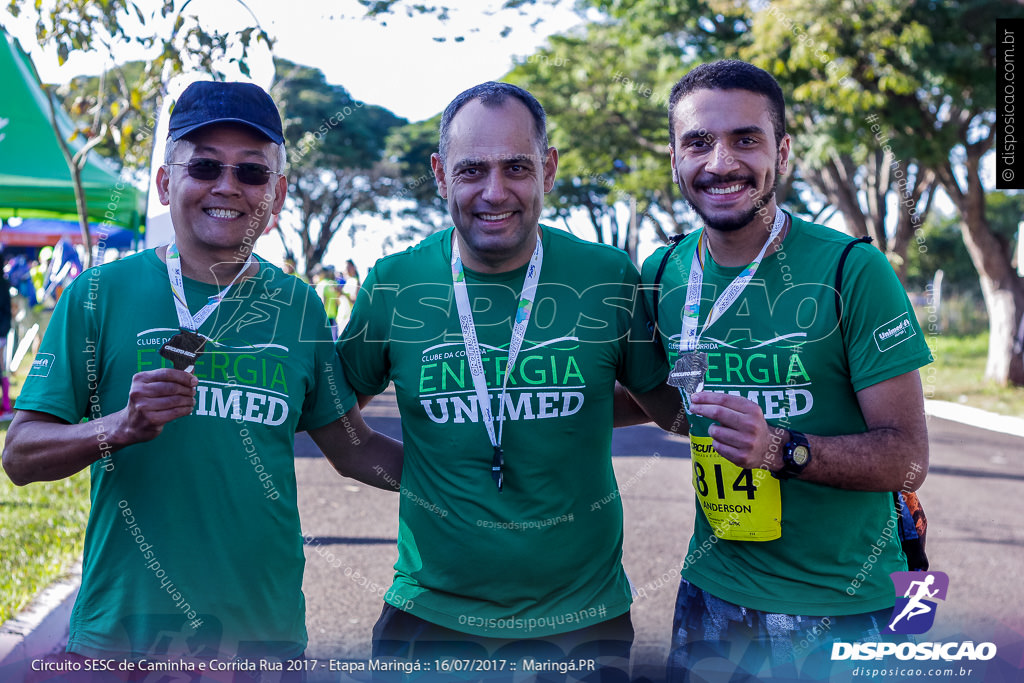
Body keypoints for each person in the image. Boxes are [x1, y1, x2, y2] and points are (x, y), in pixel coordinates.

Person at [1, 80, 402, 675]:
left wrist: (466, 471)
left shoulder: (298, 306)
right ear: (167, 184)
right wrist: (117, 427)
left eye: (252, 174)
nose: (227, 186)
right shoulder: (96, 296)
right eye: (205, 165)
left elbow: (352, 448)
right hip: (121, 641)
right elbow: (20, 456)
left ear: (278, 195)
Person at [336, 81, 681, 681]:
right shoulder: (394, 283)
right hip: (428, 618)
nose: (494, 192)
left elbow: (673, 412)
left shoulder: (606, 278)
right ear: (441, 175)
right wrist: (423, 482)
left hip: (581, 623)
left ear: (547, 169)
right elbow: (332, 415)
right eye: (472, 171)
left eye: (516, 167)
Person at [641, 60, 933, 681]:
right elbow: (666, 403)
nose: (721, 162)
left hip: (845, 608)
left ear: (784, 151)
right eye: (698, 142)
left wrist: (781, 448)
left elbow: (908, 459)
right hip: (711, 596)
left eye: (746, 139)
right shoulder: (663, 274)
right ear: (674, 157)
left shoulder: (853, 270)